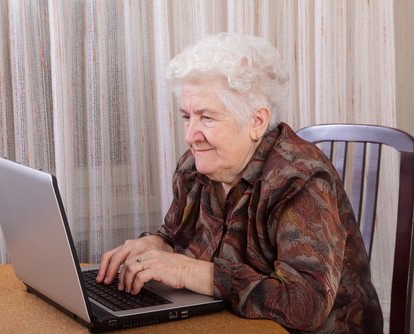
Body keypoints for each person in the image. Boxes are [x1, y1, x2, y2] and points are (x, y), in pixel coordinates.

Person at [96, 33, 383, 333]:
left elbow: (305, 305)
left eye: (206, 118)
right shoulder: (195, 168)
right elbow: (174, 236)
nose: (190, 135)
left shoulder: (300, 180)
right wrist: (153, 246)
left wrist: (187, 270)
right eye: (187, 117)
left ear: (257, 121)